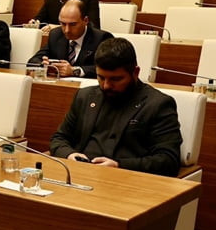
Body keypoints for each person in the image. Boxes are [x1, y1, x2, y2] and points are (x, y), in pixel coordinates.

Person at [49, 37, 182, 176]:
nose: (106, 86)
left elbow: (168, 160)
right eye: (101, 77)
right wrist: (69, 155)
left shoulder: (158, 104)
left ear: (135, 73)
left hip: (127, 181)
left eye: (116, 79)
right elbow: (59, 138)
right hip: (80, 174)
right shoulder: (85, 96)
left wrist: (119, 165)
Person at [27, 0, 113, 79]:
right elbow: (33, 61)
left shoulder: (102, 38)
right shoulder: (56, 35)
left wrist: (74, 71)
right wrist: (43, 65)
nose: (67, 30)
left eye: (73, 24)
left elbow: (109, 68)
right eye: (63, 24)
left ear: (85, 20)